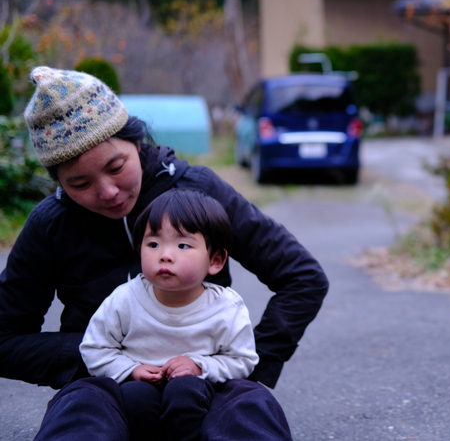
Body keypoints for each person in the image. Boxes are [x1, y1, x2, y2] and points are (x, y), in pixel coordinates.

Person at [0, 66, 328, 440]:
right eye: (80, 183)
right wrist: (109, 356)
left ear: (136, 142)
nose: (107, 192)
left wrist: (244, 365)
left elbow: (303, 277)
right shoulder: (51, 224)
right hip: (101, 385)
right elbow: (4, 337)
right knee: (79, 418)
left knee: (249, 411)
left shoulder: (200, 192)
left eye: (116, 167)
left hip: (209, 385)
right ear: (59, 181)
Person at [80, 188, 259, 441]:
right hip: (138, 388)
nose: (164, 255)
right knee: (135, 396)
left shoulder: (226, 307)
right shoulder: (125, 299)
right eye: (153, 244)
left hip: (198, 392)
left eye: (183, 245)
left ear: (215, 260)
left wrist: (200, 366)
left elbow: (243, 360)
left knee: (185, 391)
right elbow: (94, 349)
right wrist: (131, 369)